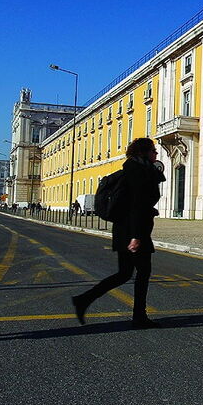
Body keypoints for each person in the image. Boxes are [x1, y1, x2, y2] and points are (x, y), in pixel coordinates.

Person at [71, 137, 166, 329]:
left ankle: (84, 300)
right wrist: (137, 236)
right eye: (153, 150)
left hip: (125, 229)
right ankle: (139, 316)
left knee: (124, 273)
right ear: (143, 152)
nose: (156, 153)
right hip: (133, 230)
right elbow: (137, 206)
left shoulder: (135, 170)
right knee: (143, 272)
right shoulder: (139, 173)